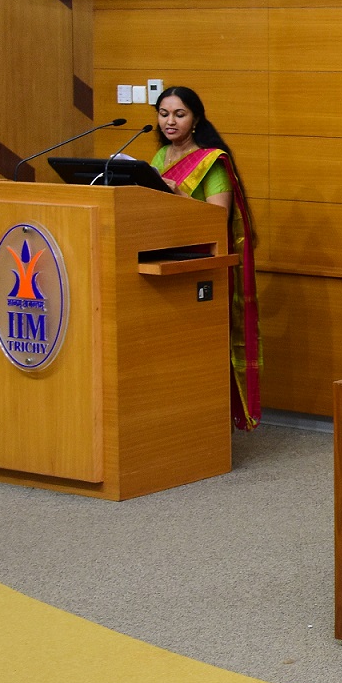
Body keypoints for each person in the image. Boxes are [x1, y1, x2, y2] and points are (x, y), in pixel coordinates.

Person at [149, 86, 262, 430]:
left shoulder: (211, 162)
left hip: (200, 262)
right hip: (162, 257)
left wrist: (179, 193)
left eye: (179, 114)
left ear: (195, 119)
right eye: (164, 114)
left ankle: (208, 422)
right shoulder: (160, 156)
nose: (170, 121)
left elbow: (218, 217)